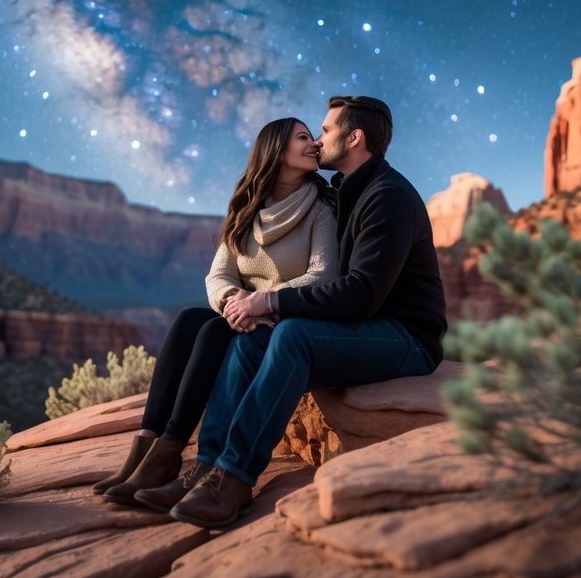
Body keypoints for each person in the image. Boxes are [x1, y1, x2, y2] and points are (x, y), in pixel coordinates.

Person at [161, 95, 447, 528]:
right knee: (253, 337)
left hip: (405, 339)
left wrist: (268, 300)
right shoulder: (345, 191)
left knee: (292, 335)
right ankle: (206, 467)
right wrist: (256, 310)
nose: (318, 139)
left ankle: (234, 480)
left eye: (327, 130)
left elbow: (360, 293)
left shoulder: (388, 196)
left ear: (354, 138)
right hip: (365, 329)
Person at [93, 117, 338, 507]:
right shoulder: (247, 206)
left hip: (284, 315)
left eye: (313, 138)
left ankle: (171, 453)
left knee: (211, 334)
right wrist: (232, 302)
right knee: (190, 320)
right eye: (303, 138)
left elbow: (322, 274)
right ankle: (146, 447)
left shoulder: (321, 208)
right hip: (247, 312)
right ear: (274, 149)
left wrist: (262, 301)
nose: (315, 145)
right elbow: (218, 275)